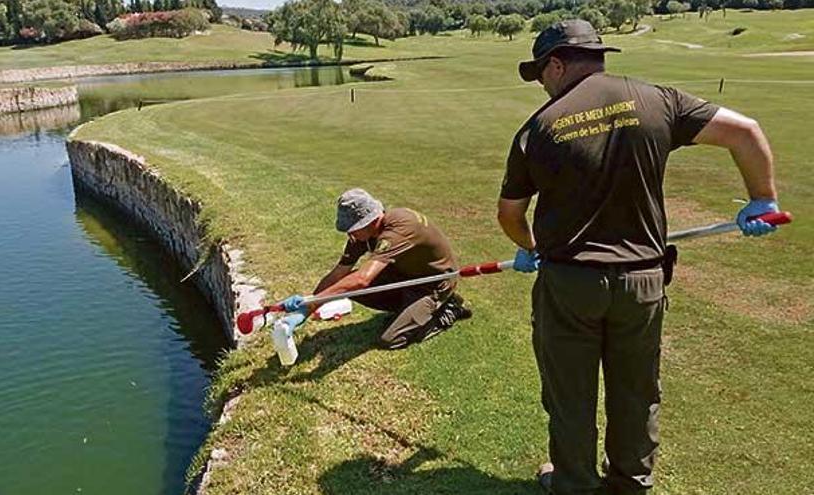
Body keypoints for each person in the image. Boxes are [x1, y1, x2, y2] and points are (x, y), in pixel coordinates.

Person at [497, 19, 781, 495]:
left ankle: (574, 484)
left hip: (570, 285)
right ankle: (630, 484)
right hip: (643, 282)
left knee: (571, 394)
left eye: (541, 74)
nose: (542, 86)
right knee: (636, 390)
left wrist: (528, 249)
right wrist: (763, 197)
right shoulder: (658, 100)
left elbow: (510, 213)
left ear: (558, 64)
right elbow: (745, 131)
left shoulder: (537, 130)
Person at [282, 188, 472, 349]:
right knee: (346, 285)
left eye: (353, 228)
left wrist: (312, 302)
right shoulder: (362, 235)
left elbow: (362, 279)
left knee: (390, 339)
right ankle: (408, 311)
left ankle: (449, 309)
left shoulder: (400, 228)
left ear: (369, 221)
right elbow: (339, 274)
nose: (350, 234)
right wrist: (306, 309)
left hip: (432, 284)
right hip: (406, 274)